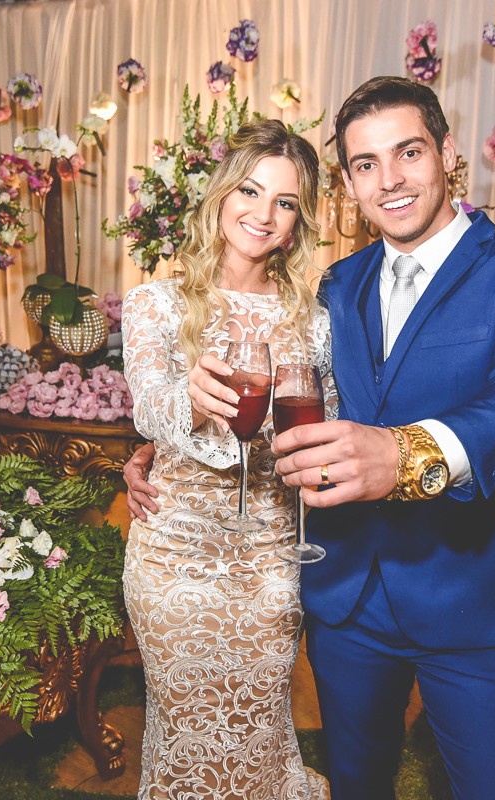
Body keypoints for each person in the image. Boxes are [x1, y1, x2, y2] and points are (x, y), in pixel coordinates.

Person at [126, 76, 495, 800]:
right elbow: (268, 401)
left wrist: (410, 453)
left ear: (449, 153)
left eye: (408, 152)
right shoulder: (334, 287)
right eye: (366, 164)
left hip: (469, 597)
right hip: (341, 602)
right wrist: (161, 440)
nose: (390, 180)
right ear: (348, 182)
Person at [121, 118, 332, 800]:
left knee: (258, 720)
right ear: (219, 196)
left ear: (299, 222)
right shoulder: (154, 303)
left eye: (286, 201)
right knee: (184, 725)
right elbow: (150, 405)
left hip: (273, 554)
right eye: (250, 190)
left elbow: (338, 420)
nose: (263, 214)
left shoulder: (317, 320)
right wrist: (184, 402)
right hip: (174, 555)